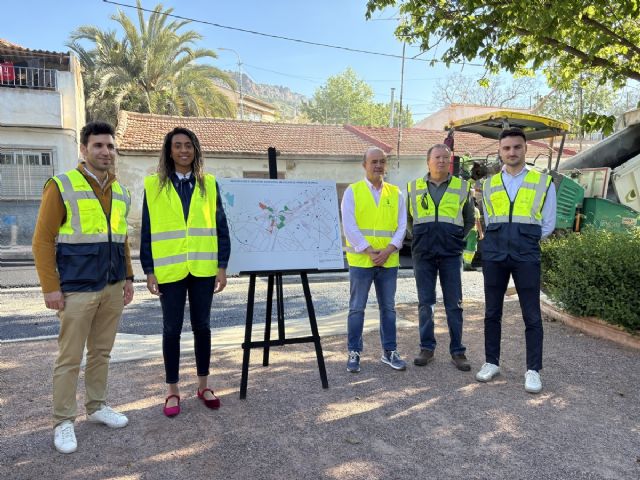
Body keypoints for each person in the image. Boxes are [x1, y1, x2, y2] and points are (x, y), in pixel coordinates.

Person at [32, 121, 134, 454]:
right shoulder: (62, 185)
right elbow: (42, 240)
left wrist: (128, 278)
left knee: (102, 353)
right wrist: (50, 288)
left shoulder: (121, 191)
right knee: (70, 358)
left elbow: (121, 239)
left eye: (110, 146)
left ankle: (97, 406)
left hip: (112, 287)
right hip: (76, 288)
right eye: (98, 146)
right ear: (84, 149)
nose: (106, 152)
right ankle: (63, 420)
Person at [140, 127, 231, 417]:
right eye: (177, 145)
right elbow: (147, 231)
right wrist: (149, 270)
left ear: (195, 150)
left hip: (203, 268)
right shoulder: (154, 185)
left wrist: (222, 266)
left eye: (188, 145)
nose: (183, 150)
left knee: (202, 327)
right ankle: (172, 390)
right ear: (169, 151)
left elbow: (221, 227)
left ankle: (203, 386)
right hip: (169, 270)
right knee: (171, 329)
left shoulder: (209, 184)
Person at [475, 127, 557, 394]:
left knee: (531, 315)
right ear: (500, 151)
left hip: (526, 255)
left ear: (525, 149)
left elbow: (548, 223)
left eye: (517, 147)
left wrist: (524, 240)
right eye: (507, 148)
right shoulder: (488, 185)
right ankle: (491, 362)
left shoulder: (543, 182)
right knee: (492, 312)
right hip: (495, 255)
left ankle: (533, 370)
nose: (512, 152)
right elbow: (488, 220)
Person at [407, 144, 475, 371]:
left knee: (454, 304)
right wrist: (419, 236)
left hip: (450, 254)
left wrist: (455, 239)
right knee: (425, 303)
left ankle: (458, 351)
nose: (442, 161)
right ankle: (426, 348)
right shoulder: (413, 187)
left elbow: (469, 220)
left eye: (446, 158)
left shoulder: (462, 187)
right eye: (437, 157)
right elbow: (408, 219)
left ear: (450, 162)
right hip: (423, 253)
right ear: (428, 161)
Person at [341, 146, 407, 373]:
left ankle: (389, 352)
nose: (378, 165)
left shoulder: (396, 193)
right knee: (356, 309)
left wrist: (388, 250)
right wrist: (369, 250)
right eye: (374, 162)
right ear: (364, 165)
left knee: (388, 309)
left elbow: (402, 226)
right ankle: (354, 352)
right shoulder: (353, 191)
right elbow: (349, 226)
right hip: (361, 261)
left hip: (388, 261)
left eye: (382, 161)